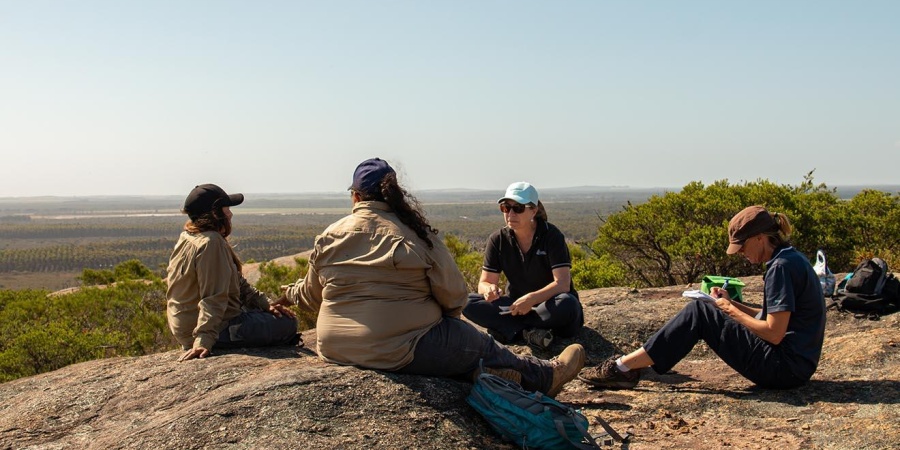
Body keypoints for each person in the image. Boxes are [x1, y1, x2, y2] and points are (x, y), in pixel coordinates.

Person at [282, 158, 585, 396]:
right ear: (394, 194)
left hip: (334, 347)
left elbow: (309, 296)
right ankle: (544, 376)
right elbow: (454, 297)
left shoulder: (329, 235)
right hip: (403, 346)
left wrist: (285, 295)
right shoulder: (416, 235)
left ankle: (489, 373)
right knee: (471, 342)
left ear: (356, 196)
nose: (510, 212)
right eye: (507, 207)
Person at [578, 205, 826, 389]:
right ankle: (626, 366)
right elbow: (768, 318)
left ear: (760, 238)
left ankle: (622, 368)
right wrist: (730, 304)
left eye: (742, 247)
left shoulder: (780, 267)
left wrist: (728, 311)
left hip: (783, 369)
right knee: (705, 309)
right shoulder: (790, 258)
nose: (740, 253)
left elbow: (773, 332)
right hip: (795, 366)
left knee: (699, 312)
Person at [166, 183, 299, 362]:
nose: (230, 213)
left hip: (185, 327)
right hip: (213, 329)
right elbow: (213, 298)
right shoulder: (211, 243)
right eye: (226, 208)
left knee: (270, 315)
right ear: (215, 213)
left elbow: (236, 281)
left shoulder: (189, 237)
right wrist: (203, 340)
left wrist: (265, 304)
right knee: (288, 324)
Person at [462, 182, 583, 349]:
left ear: (533, 210)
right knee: (468, 302)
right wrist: (489, 289)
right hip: (515, 306)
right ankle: (530, 333)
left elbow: (562, 283)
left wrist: (532, 299)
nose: (511, 213)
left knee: (567, 305)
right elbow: (484, 282)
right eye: (505, 208)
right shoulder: (498, 239)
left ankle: (512, 330)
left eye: (518, 208)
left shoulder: (551, 236)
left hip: (547, 305)